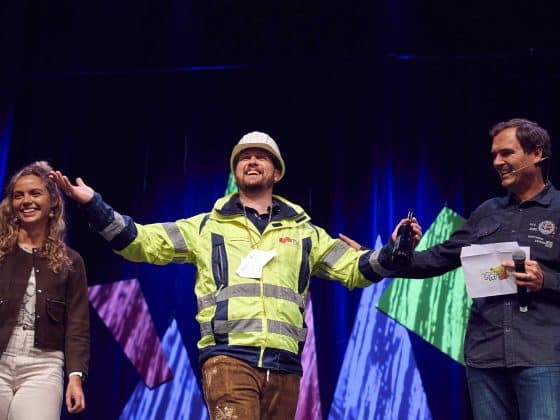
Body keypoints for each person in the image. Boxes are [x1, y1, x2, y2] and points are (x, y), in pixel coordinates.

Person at [50, 131, 394, 420]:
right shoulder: (206, 226)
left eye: (262, 157)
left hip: (285, 365)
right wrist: (94, 205)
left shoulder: (305, 233)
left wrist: (394, 252)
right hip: (228, 359)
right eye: (244, 157)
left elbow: (354, 269)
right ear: (236, 171)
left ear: (276, 173)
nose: (252, 161)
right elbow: (140, 242)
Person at [355, 118, 559, 419]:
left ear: (537, 153)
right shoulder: (487, 212)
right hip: (485, 356)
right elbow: (436, 259)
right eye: (494, 156)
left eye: (506, 153)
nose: (497, 162)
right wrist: (382, 254)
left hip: (542, 356)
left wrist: (547, 281)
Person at [0, 161, 89, 419]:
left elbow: (77, 326)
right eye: (19, 195)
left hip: (43, 366)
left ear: (53, 202)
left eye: (34, 193)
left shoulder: (71, 262)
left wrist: (75, 377)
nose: (26, 201)